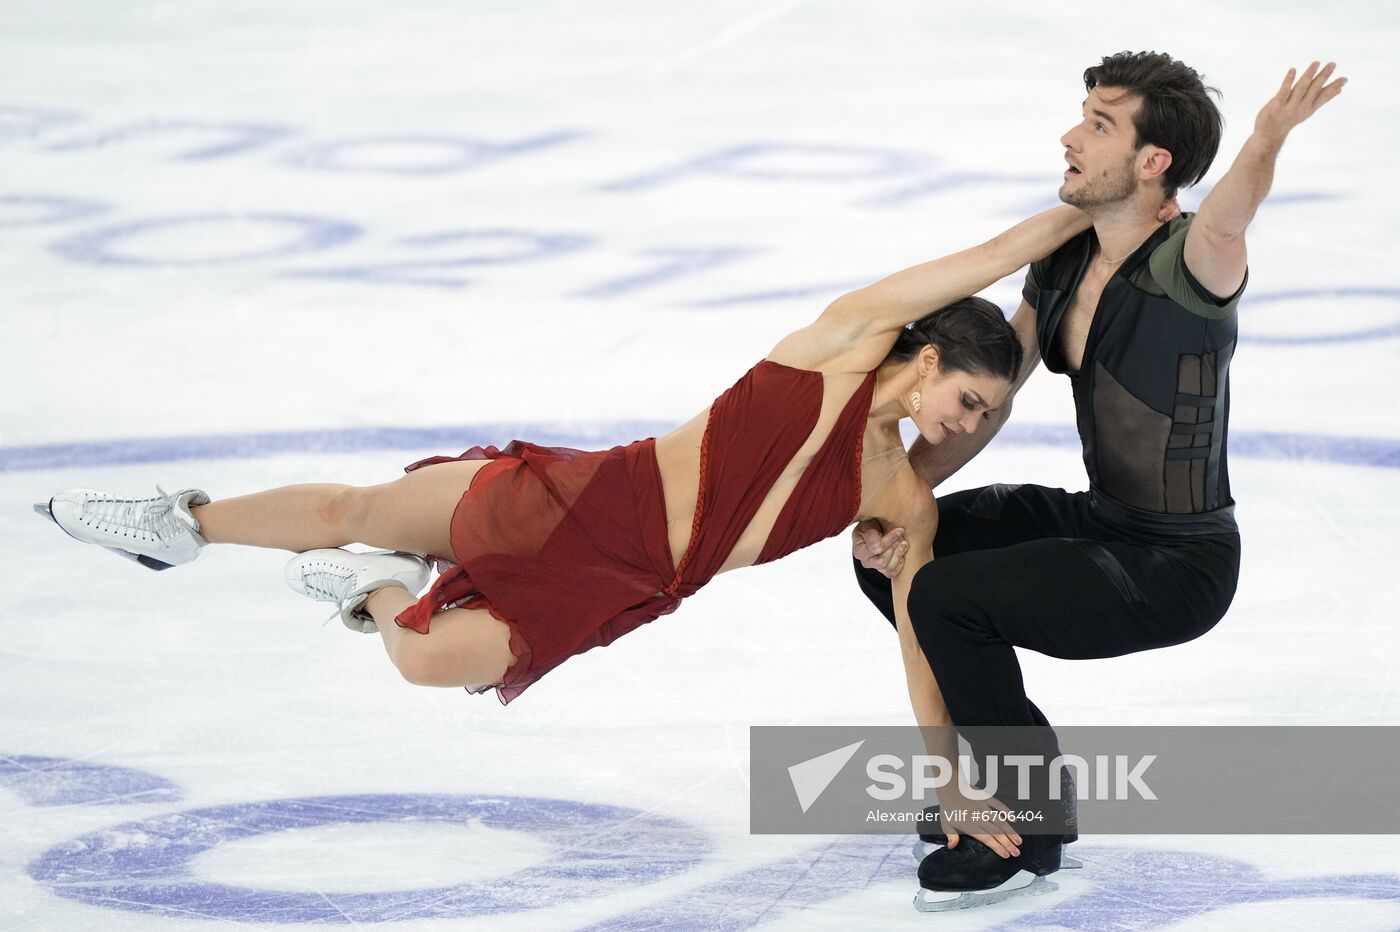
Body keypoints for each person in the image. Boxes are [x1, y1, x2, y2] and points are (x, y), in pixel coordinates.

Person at [852, 54, 1346, 911]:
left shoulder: (1191, 265)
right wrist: (900, 503)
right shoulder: (1064, 262)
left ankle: (1027, 826)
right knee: (901, 561)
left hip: (1176, 565)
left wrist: (1266, 138)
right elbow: (990, 401)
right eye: (1082, 116)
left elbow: (1228, 218)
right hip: (1103, 521)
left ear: (1153, 162)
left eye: (1099, 125)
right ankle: (1012, 783)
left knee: (947, 599)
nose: (1070, 138)